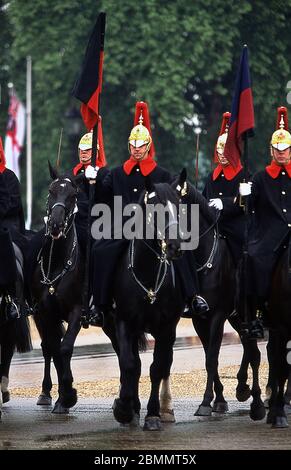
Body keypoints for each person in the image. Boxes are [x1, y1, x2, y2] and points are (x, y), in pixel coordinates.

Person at [86, 101, 209, 327]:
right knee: (100, 250)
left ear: (148, 145)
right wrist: (93, 180)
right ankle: (100, 305)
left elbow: (173, 196)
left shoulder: (162, 174)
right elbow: (101, 198)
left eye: (141, 144)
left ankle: (192, 297)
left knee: (182, 247)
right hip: (123, 227)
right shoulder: (115, 174)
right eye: (133, 144)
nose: (136, 148)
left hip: (156, 226)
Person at [240, 106, 291, 338]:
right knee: (254, 259)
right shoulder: (260, 177)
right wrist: (245, 194)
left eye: (285, 149)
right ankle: (257, 314)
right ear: (272, 151)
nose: (282, 153)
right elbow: (249, 209)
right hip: (270, 234)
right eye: (278, 149)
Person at [203, 111, 247, 266]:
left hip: (233, 226)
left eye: (225, 151)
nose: (221, 154)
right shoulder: (211, 176)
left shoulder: (243, 175)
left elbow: (244, 203)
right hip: (212, 225)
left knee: (247, 254)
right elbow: (205, 198)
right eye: (219, 150)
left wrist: (225, 203)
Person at [0, 136, 27, 320]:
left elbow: (10, 203)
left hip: (6, 224)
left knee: (7, 247)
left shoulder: (7, 176)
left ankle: (12, 297)